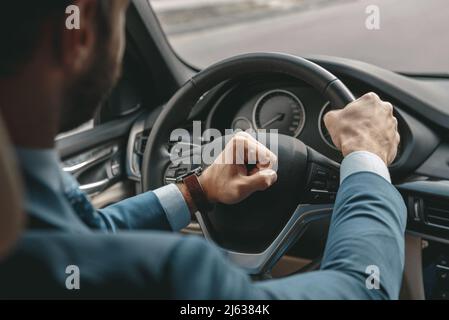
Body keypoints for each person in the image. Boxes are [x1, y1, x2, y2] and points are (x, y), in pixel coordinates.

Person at [0, 0, 406, 299]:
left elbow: (84, 237)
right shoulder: (172, 277)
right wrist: (366, 154)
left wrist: (197, 190)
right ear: (80, 32)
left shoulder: (29, 223)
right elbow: (361, 289)